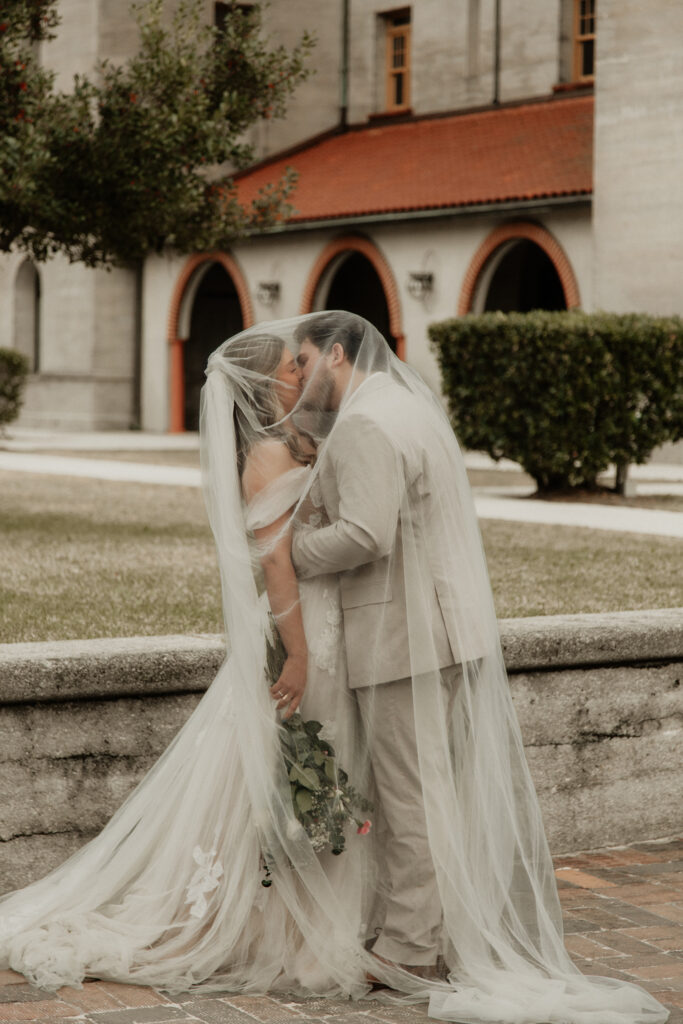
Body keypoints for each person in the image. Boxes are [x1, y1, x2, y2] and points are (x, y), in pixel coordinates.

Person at [0, 313, 668, 1024]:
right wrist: (284, 568)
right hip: (391, 632)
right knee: (394, 785)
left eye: (304, 359)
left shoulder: (361, 426)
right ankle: (401, 932)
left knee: (406, 790)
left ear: (335, 354)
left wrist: (297, 550)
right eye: (288, 366)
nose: (300, 372)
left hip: (396, 634)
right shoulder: (400, 407)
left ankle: (412, 946)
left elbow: (365, 535)